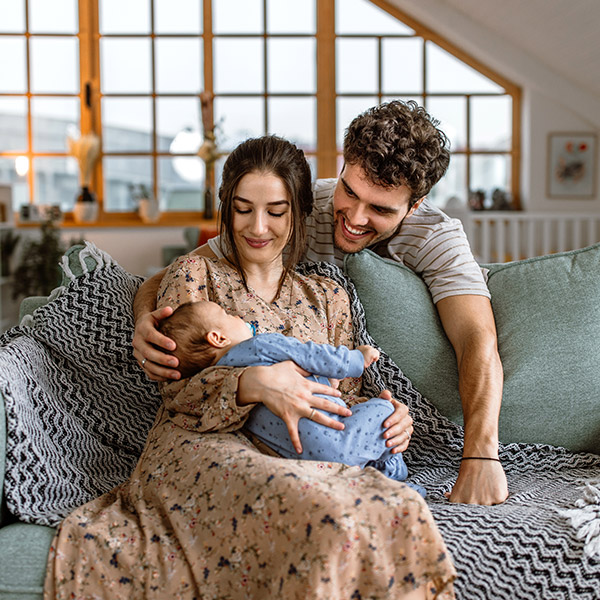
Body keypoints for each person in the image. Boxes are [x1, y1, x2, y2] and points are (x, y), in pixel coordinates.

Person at [45, 135, 456, 599]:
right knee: (320, 512)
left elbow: (348, 393)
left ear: (299, 213)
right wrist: (250, 383)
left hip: (310, 448)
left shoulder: (328, 297)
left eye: (276, 212)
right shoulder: (193, 278)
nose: (258, 226)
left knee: (379, 506)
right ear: (226, 207)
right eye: (243, 209)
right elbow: (176, 390)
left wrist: (391, 418)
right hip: (207, 445)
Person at [132, 100, 507, 507]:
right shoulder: (290, 205)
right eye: (349, 191)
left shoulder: (425, 244)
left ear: (413, 206)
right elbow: (176, 279)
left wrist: (477, 452)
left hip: (316, 455)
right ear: (343, 168)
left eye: (379, 209)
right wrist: (147, 323)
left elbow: (476, 338)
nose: (354, 218)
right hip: (223, 450)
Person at [158, 299, 419, 489]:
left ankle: (385, 482)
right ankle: (394, 475)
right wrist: (355, 359)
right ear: (217, 338)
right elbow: (312, 355)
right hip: (338, 438)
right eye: (226, 313)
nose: (236, 315)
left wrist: (327, 380)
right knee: (384, 409)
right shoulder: (260, 344)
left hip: (302, 462)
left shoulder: (221, 385)